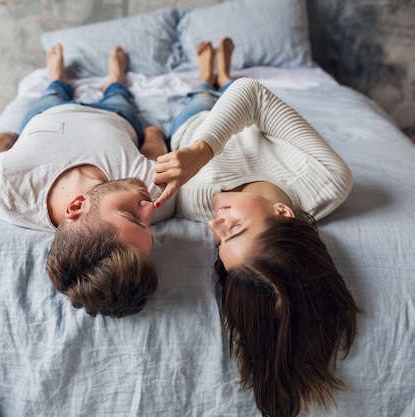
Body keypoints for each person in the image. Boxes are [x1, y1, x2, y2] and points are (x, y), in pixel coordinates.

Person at [152, 37, 361, 417]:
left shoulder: (197, 198)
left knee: (198, 100)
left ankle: (207, 79)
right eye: (234, 229)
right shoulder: (327, 179)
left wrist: (189, 144)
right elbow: (250, 95)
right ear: (284, 213)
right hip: (222, 129)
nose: (215, 223)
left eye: (218, 241)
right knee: (230, 87)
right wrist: (200, 154)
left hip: (191, 124)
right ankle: (221, 74)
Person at [0, 44, 173, 318]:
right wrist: (154, 133)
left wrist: (2, 140)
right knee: (119, 96)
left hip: (49, 113)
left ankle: (57, 78)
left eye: (132, 216)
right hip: (115, 116)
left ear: (75, 207)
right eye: (147, 225)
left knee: (52, 93)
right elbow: (153, 152)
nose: (149, 208)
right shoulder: (154, 192)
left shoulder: (5, 189)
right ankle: (116, 80)